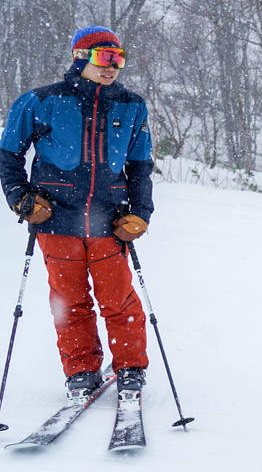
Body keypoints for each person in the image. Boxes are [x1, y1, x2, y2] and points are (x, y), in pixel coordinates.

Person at [0, 26, 154, 399]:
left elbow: (140, 165)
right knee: (69, 301)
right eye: (105, 57)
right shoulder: (40, 101)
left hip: (109, 222)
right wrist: (20, 198)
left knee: (118, 299)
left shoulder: (131, 105)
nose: (113, 67)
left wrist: (142, 214)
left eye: (119, 58)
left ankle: (131, 368)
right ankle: (81, 369)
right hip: (55, 220)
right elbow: (8, 154)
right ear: (81, 58)